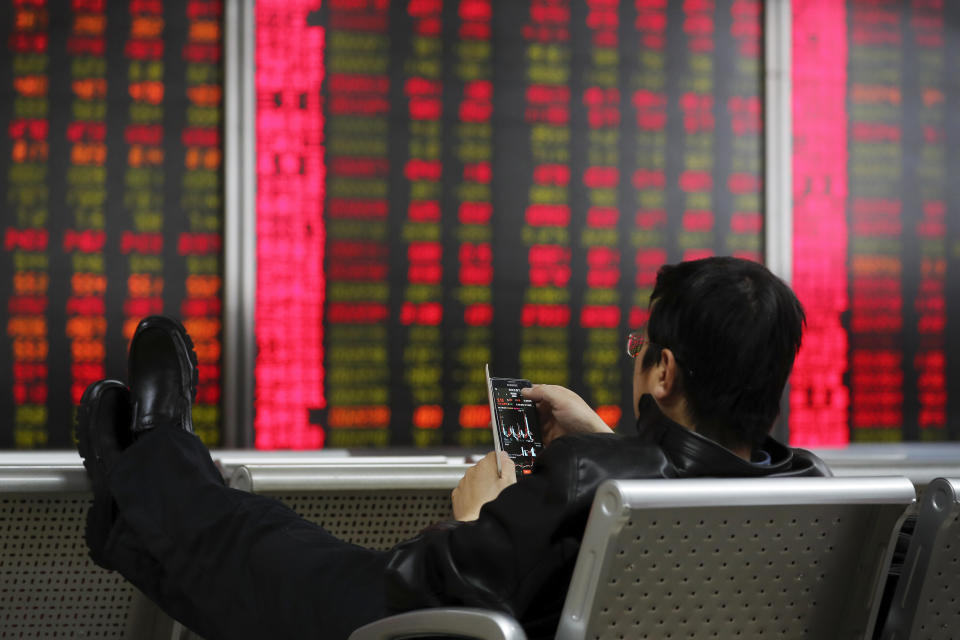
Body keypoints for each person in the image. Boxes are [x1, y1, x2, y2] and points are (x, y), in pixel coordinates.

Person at [76, 257, 830, 640]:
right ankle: (143, 477)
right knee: (270, 549)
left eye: (643, 349)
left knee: (270, 547)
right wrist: (612, 445)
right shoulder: (810, 495)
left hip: (415, 625)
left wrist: (481, 514)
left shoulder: (585, 477)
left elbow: (421, 590)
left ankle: (148, 458)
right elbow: (701, 479)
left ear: (663, 372)